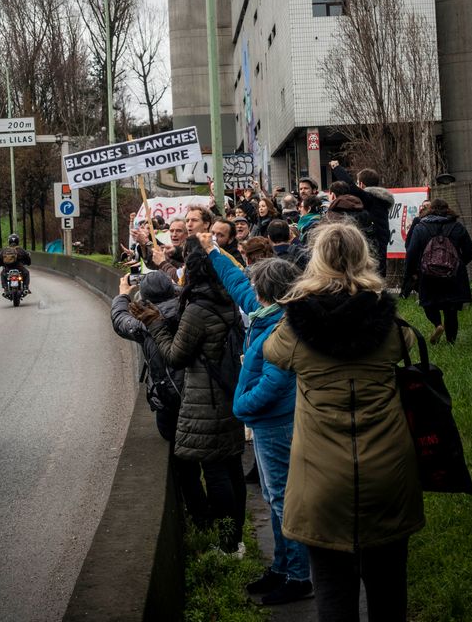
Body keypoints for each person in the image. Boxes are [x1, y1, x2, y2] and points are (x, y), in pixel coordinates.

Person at [263, 223, 425, 622]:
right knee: (389, 595)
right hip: (389, 473)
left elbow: (272, 352)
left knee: (334, 598)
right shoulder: (388, 322)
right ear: (363, 257)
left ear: (315, 261)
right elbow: (405, 348)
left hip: (320, 480)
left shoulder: (295, 327)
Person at [198, 232, 313, 607]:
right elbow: (236, 284)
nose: (250, 290)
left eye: (256, 285)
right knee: (272, 496)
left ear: (268, 291)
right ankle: (281, 567)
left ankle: (299, 576)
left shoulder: (282, 326)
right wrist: (212, 251)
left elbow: (275, 382)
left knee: (282, 501)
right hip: (265, 423)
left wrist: (243, 407)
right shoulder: (266, 312)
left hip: (274, 422)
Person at [130, 238, 247, 556]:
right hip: (228, 392)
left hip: (205, 399)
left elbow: (175, 356)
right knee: (233, 466)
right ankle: (236, 540)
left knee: (215, 471)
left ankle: (225, 545)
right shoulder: (227, 301)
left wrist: (155, 324)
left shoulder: (197, 309)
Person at [110, 270, 210, 528]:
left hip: (170, 397)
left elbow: (120, 320)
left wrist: (123, 294)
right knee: (212, 463)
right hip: (202, 390)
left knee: (184, 463)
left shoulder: (145, 321)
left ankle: (200, 519)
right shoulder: (189, 307)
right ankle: (217, 522)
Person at [402, 198, 472, 344]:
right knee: (451, 308)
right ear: (448, 210)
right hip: (453, 275)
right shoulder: (457, 227)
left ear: (430, 210)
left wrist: (412, 272)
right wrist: (458, 265)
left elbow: (412, 252)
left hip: (428, 275)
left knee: (429, 303)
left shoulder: (421, 227)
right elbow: (469, 250)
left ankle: (438, 324)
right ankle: (451, 342)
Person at [329, 162, 395, 277]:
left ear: (361, 185)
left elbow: (351, 186)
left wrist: (337, 168)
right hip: (380, 247)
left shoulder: (370, 198)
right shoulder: (380, 201)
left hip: (373, 249)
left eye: (357, 183)